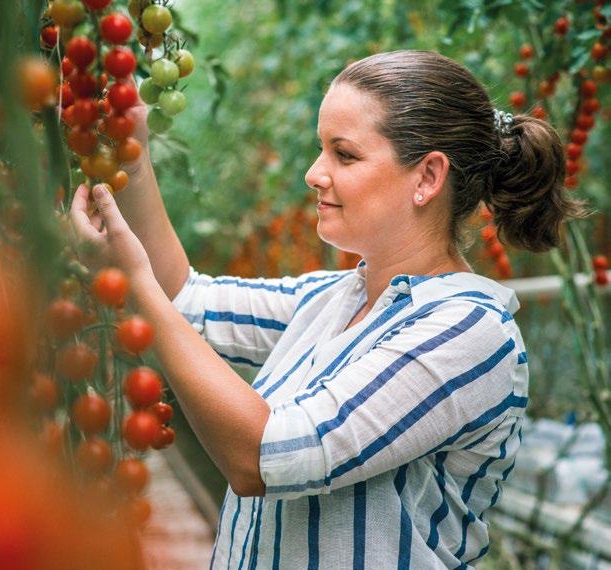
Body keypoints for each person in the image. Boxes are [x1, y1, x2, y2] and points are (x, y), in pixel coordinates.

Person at [71, 50, 585, 569]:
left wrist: (134, 284)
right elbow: (185, 299)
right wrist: (130, 150)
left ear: (427, 177)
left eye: (344, 154)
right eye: (322, 150)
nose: (314, 174)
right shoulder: (333, 300)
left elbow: (265, 455)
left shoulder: (468, 330)